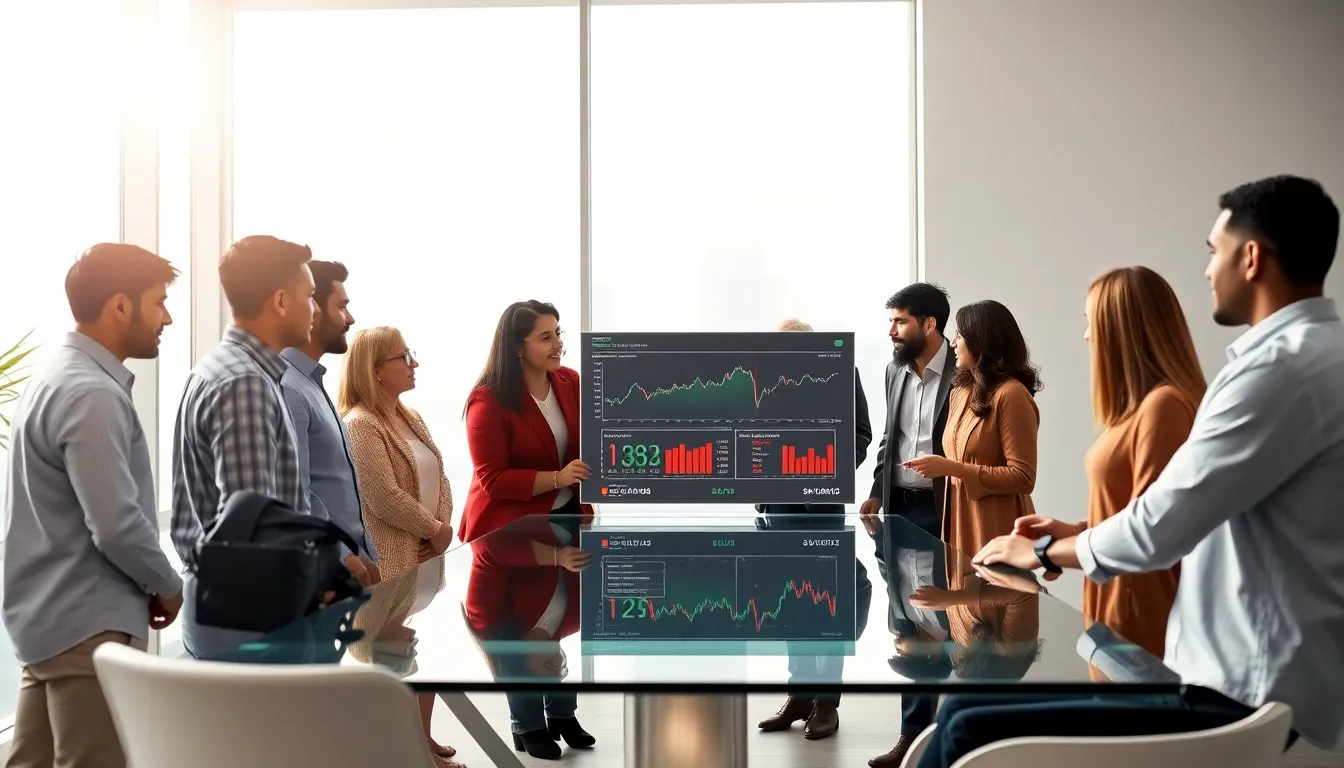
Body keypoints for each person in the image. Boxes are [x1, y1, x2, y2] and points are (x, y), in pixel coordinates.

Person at [961, 175, 1344, 766]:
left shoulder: (1279, 372)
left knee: (965, 730)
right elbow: (1191, 510)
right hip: (1244, 675)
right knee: (964, 719)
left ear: (1251, 257)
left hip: (1236, 685)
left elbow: (1158, 527)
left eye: (1214, 252)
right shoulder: (1312, 360)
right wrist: (1075, 533)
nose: (1208, 270)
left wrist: (1040, 555)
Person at [2, 244, 185, 768]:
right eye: (159, 302)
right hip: (89, 630)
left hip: (51, 626)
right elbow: (116, 525)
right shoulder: (91, 394)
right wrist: (167, 585)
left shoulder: (52, 379)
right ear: (121, 306)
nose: (167, 317)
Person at [1017, 266, 1205, 665]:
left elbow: (1155, 534)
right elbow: (1141, 514)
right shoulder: (1141, 410)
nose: (1086, 335)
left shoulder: (1164, 407)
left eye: (1091, 322)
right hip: (1114, 615)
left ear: (1124, 328)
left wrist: (1048, 551)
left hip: (1139, 625)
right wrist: (1077, 530)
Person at [460, 300, 595, 760]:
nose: (558, 343)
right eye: (545, 336)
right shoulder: (488, 399)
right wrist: (558, 479)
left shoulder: (569, 382)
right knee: (518, 628)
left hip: (562, 522)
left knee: (553, 620)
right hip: (506, 532)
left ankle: (561, 715)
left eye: (558, 332)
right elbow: (492, 479)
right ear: (517, 346)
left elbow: (590, 439)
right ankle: (527, 723)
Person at [170, 235, 316, 660]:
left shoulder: (216, 369)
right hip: (254, 623)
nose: (316, 308)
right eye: (309, 295)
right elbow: (253, 538)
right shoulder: (245, 384)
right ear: (281, 301)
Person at [340, 327, 461, 766]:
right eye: (404, 357)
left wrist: (442, 527)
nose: (414, 363)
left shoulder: (411, 417)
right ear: (375, 370)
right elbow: (381, 496)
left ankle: (420, 743)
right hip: (391, 561)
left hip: (423, 555)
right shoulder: (359, 424)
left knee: (404, 651)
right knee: (393, 659)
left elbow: (441, 477)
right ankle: (407, 753)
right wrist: (432, 528)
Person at [756, 317, 873, 740]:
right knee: (790, 605)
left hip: (822, 505)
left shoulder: (840, 374)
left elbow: (861, 434)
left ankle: (827, 703)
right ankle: (800, 695)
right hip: (777, 509)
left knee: (828, 606)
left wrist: (825, 463)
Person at [856, 283, 956, 767]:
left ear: (929, 324)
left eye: (899, 321)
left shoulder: (965, 372)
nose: (891, 331)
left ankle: (956, 737)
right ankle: (911, 741)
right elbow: (888, 441)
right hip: (898, 509)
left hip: (947, 512)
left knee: (954, 623)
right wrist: (877, 490)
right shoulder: (895, 370)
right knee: (910, 624)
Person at [905, 299, 1041, 560]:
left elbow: (1024, 477)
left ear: (981, 340)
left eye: (959, 335)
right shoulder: (960, 393)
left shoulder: (1011, 395)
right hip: (958, 526)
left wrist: (949, 468)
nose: (952, 343)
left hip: (998, 530)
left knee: (993, 595)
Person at [279, 259, 379, 588]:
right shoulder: (288, 388)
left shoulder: (312, 384)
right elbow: (293, 489)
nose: (350, 319)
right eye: (343, 306)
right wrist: (340, 555)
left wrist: (366, 553)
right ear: (312, 309)